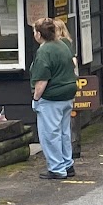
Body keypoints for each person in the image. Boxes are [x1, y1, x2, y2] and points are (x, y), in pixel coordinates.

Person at [28, 17, 77, 179]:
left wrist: (36, 99)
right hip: (68, 94)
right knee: (64, 132)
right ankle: (68, 164)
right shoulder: (62, 45)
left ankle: (57, 168)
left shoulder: (44, 52)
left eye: (35, 31)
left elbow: (42, 80)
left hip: (51, 97)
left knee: (50, 134)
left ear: (39, 34)